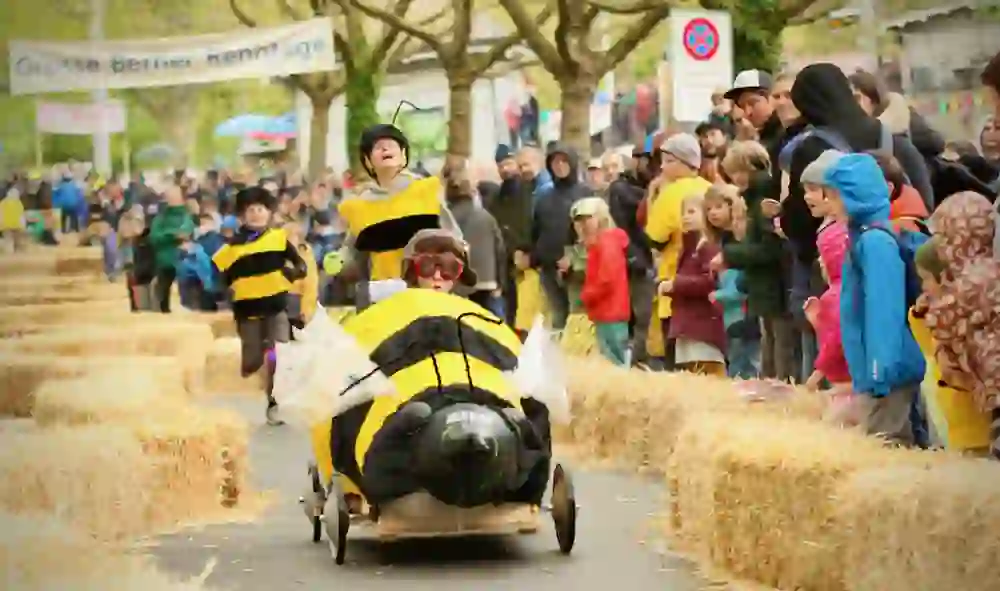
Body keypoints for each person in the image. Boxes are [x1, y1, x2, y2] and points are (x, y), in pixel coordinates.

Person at [823, 153, 926, 446]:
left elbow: (884, 310)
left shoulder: (875, 242)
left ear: (855, 196)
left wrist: (880, 368)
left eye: (834, 197)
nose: (830, 205)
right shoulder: (863, 238)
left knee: (888, 444)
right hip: (878, 370)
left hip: (888, 371)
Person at [212, 186, 309, 426]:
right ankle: (255, 368)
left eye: (261, 209)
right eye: (251, 210)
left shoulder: (279, 239)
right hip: (247, 312)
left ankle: (275, 401)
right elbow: (217, 275)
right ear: (242, 216)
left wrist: (290, 274)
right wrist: (227, 290)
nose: (256, 214)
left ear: (269, 213)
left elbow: (301, 266)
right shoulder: (231, 248)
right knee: (253, 360)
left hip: (276, 308)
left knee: (279, 354)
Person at [335, 123, 459, 310]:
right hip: (382, 299)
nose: (386, 149)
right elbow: (351, 255)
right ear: (368, 161)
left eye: (392, 145)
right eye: (378, 147)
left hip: (427, 296)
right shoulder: (357, 206)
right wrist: (340, 262)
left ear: (403, 155)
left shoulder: (427, 191)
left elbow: (456, 243)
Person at [717, 141, 793, 381]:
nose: (736, 178)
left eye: (740, 171)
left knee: (778, 348)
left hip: (774, 287)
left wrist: (730, 255)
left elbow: (769, 250)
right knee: (770, 344)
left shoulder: (762, 200)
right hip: (764, 287)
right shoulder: (753, 198)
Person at [910, 238, 993, 455]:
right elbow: (929, 349)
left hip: (976, 425)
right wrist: (920, 316)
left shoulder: (969, 314)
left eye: (926, 279)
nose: (923, 287)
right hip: (955, 423)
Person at [645, 133, 713, 369]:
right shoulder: (711, 188)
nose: (662, 167)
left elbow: (655, 239)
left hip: (674, 283)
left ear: (685, 162)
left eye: (668, 161)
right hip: (709, 289)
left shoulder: (670, 193)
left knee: (677, 362)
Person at [660, 192, 726, 376]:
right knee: (692, 376)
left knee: (710, 375)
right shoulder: (688, 248)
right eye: (683, 212)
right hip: (687, 326)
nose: (685, 217)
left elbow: (711, 281)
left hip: (703, 326)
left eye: (691, 212)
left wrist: (677, 284)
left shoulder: (707, 246)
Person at [704, 184, 760, 379]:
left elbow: (741, 282)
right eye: (708, 209)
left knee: (746, 362)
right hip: (730, 316)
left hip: (743, 314)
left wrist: (720, 295)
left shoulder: (740, 244)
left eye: (718, 207)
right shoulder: (722, 240)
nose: (712, 213)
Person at [531, 145, 588, 331]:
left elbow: (594, 232)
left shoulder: (585, 193)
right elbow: (536, 229)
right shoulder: (544, 197)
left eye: (564, 161)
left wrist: (573, 256)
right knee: (556, 319)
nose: (560, 165)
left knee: (577, 319)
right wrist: (535, 256)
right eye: (555, 162)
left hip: (577, 269)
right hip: (549, 268)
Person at [607, 146, 655, 367]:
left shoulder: (655, 185)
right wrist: (635, 257)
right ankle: (638, 364)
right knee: (642, 317)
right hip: (638, 260)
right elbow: (622, 227)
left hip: (654, 257)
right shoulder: (621, 189)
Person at [443, 157, 506, 317]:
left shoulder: (445, 218)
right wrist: (500, 282)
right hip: (486, 282)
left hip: (458, 285)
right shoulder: (485, 217)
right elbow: (499, 251)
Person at [572, 197, 630, 366]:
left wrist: (586, 297)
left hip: (610, 313)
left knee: (614, 362)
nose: (584, 225)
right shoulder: (601, 243)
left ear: (602, 217)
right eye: (580, 220)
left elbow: (607, 279)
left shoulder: (607, 243)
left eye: (589, 218)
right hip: (605, 312)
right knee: (611, 360)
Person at [484, 144, 532, 328]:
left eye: (508, 163)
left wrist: (526, 250)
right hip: (505, 265)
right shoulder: (496, 199)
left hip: (527, 263)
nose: (505, 169)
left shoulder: (530, 192)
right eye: (501, 165)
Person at [149, 185, 196, 313]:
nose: (170, 199)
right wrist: (172, 235)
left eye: (174, 196)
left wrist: (168, 235)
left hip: (183, 262)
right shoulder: (160, 218)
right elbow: (154, 237)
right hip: (164, 262)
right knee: (163, 296)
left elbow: (186, 232)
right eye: (169, 196)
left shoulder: (186, 217)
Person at [400, 228, 478, 293]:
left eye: (449, 267)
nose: (437, 277)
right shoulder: (397, 304)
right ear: (412, 271)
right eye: (426, 266)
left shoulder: (471, 307)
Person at [0, 187, 26, 253]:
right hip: (16, 226)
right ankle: (16, 254)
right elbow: (21, 216)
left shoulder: (3, 203)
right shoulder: (18, 203)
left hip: (7, 226)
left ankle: (11, 253)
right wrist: (23, 225)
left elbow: (1, 215)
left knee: (9, 242)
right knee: (16, 242)